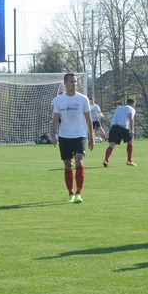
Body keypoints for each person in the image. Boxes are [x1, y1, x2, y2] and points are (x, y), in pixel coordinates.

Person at [50, 73, 94, 203]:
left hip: (80, 135)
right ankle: (70, 193)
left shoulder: (83, 99)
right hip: (64, 136)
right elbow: (55, 119)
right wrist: (53, 134)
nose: (74, 84)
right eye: (71, 81)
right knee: (68, 165)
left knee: (79, 162)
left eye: (75, 81)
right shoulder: (58, 100)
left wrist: (92, 136)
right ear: (65, 83)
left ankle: (79, 193)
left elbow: (88, 118)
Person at [103, 98, 137, 167]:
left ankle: (106, 160)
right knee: (130, 142)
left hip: (113, 128)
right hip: (123, 127)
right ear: (133, 104)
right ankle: (129, 161)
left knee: (111, 144)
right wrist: (132, 129)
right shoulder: (131, 109)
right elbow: (130, 117)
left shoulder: (119, 108)